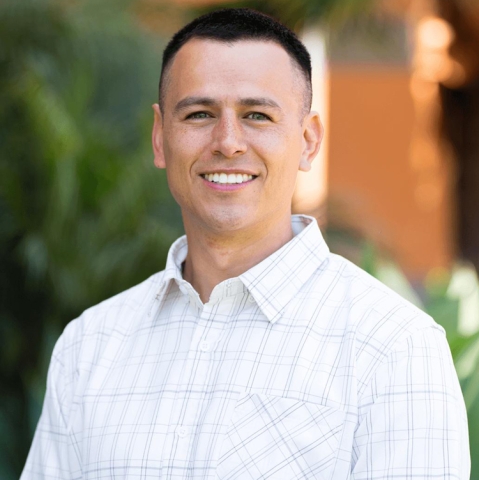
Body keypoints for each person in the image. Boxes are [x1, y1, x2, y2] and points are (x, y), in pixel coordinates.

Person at [21, 8, 469, 480]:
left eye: (257, 115)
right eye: (199, 114)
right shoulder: (90, 346)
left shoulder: (393, 348)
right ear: (160, 138)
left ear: (308, 141)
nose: (228, 142)